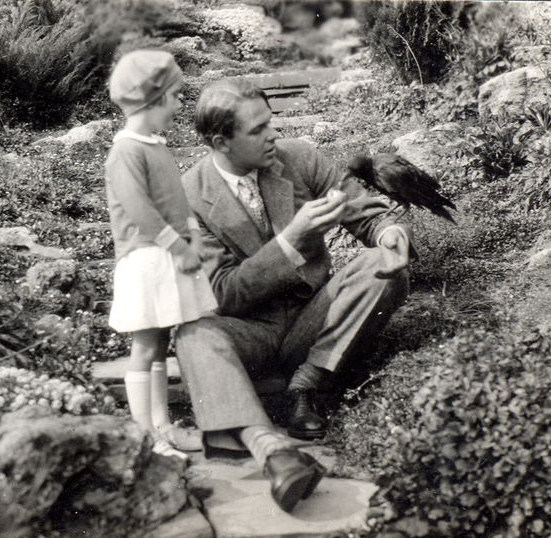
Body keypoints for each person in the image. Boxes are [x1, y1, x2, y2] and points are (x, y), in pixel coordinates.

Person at [175, 78, 413, 512]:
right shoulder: (189, 197)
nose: (272, 136)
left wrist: (388, 231)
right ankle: (272, 449)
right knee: (192, 332)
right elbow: (223, 294)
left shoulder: (298, 156)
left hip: (314, 317)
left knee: (384, 267)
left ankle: (308, 384)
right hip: (249, 331)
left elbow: (361, 210)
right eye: (257, 130)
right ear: (219, 141)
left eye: (271, 123)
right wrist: (290, 241)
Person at [105, 50, 218, 460]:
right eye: (174, 97)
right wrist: (178, 247)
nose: (179, 105)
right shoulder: (126, 151)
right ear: (150, 100)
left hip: (169, 254)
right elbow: (140, 210)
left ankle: (163, 425)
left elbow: (177, 200)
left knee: (161, 342)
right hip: (146, 259)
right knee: (146, 345)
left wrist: (193, 237)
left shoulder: (154, 144)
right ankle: (144, 436)